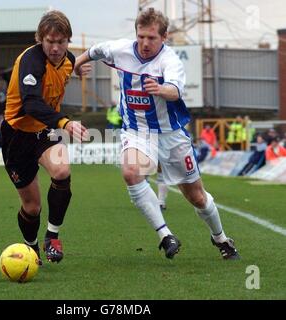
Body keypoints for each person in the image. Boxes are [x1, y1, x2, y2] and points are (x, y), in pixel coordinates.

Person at [74, 8, 239, 260]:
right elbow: (95, 50)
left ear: (165, 37)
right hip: (137, 131)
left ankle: (220, 238)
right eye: (141, 36)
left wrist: (161, 88)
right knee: (130, 172)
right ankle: (165, 235)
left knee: (197, 197)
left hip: (171, 135)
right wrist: (77, 64)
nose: (145, 43)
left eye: (152, 37)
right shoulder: (121, 49)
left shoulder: (170, 60)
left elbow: (174, 90)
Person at [0, 10, 89, 265]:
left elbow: (68, 66)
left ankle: (52, 235)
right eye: (50, 41)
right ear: (40, 39)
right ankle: (32, 249)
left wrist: (79, 70)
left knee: (61, 172)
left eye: (61, 42)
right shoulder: (31, 61)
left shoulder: (68, 60)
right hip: (17, 135)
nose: (56, 48)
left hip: (45, 131)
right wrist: (65, 122)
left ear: (68, 41)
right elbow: (30, 103)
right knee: (32, 207)